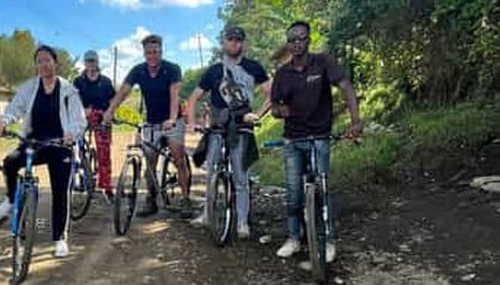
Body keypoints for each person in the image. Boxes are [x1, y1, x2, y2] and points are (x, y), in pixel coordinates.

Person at [270, 20, 362, 262]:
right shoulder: (282, 73)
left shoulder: (323, 63)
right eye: (292, 40)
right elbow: (274, 108)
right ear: (287, 44)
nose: (297, 43)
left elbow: (346, 87)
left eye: (301, 38)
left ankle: (329, 240)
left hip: (320, 137)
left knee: (322, 189)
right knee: (293, 192)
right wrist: (281, 111)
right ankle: (293, 238)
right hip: (293, 140)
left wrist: (355, 121)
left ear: (308, 40)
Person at [0, 45, 86, 259]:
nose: (43, 64)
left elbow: (79, 120)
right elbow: (15, 108)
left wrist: (71, 134)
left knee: (60, 191)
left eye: (47, 60)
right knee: (10, 161)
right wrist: (4, 122)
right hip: (33, 142)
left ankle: (60, 238)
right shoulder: (30, 87)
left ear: (56, 63)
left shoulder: (68, 90)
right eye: (39, 61)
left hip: (59, 145)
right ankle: (11, 200)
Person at [186, 26, 271, 237]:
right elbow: (193, 97)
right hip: (217, 127)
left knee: (241, 177)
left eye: (239, 40)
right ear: (224, 42)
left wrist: (259, 114)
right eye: (231, 39)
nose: (235, 43)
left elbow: (272, 94)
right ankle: (207, 214)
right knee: (211, 173)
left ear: (243, 43)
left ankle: (242, 221)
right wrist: (190, 122)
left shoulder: (254, 68)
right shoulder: (214, 70)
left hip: (242, 126)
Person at [103, 34, 192, 219]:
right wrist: (110, 111)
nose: (152, 55)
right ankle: (151, 199)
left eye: (156, 52)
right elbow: (123, 92)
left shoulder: (172, 69)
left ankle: (185, 199)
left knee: (178, 158)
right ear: (144, 53)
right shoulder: (138, 71)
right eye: (149, 52)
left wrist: (172, 118)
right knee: (149, 162)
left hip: (171, 119)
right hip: (151, 121)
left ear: (161, 51)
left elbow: (174, 94)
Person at [73, 50, 116, 203]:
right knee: (71, 144)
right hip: (83, 117)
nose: (91, 64)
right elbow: (73, 99)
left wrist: (109, 115)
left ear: (97, 62)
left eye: (93, 61)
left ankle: (106, 186)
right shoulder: (78, 81)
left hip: (101, 118)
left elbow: (112, 101)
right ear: (85, 63)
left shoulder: (105, 81)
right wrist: (81, 110)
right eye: (88, 61)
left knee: (104, 152)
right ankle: (79, 177)